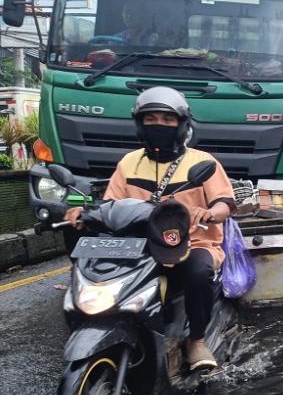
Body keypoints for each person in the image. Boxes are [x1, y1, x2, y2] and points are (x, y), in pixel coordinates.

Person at [64, 86, 236, 371]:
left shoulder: (202, 162)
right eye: (151, 119)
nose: (159, 125)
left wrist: (209, 213)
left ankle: (196, 340)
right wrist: (84, 214)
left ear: (182, 125)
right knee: (94, 272)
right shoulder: (129, 162)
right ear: (140, 124)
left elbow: (225, 203)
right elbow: (111, 205)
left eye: (167, 120)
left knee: (198, 272)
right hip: (137, 246)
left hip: (192, 244)